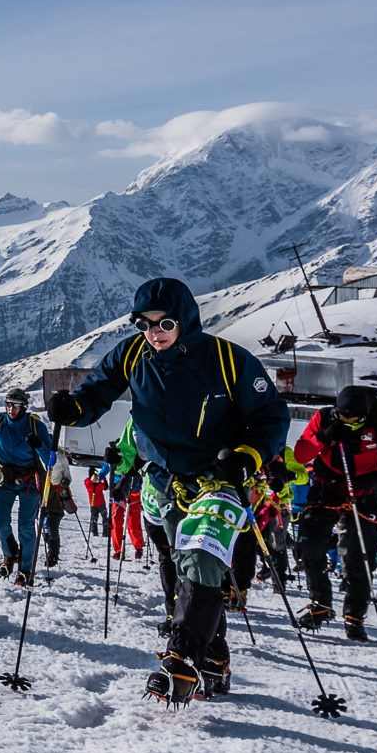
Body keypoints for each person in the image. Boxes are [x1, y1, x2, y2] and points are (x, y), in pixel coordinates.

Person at [49, 278, 289, 702]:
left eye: (165, 323)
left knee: (201, 558)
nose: (153, 333)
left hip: (220, 479)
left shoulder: (228, 360)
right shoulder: (132, 354)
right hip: (164, 481)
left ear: (187, 320)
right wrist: (75, 409)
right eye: (143, 323)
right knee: (190, 569)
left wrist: (248, 454)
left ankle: (181, 660)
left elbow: (271, 415)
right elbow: (97, 392)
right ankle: (215, 658)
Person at [291, 386, 377, 641]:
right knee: (308, 545)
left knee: (359, 556)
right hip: (327, 488)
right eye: (343, 416)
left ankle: (354, 616)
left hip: (365, 493)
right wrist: (323, 437)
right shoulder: (324, 418)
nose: (348, 422)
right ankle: (320, 602)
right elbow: (301, 454)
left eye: (354, 418)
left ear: (365, 414)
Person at [0, 389, 54, 585]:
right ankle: (10, 554)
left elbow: (49, 459)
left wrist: (38, 445)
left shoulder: (35, 426)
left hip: (29, 478)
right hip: (4, 476)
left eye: (16, 405)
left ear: (24, 407)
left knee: (26, 527)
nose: (11, 409)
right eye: (8, 405)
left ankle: (25, 570)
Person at [106, 424, 146, 562]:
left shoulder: (133, 455)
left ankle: (138, 546)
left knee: (133, 523)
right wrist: (97, 478)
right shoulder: (114, 460)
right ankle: (118, 550)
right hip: (118, 494)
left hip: (134, 493)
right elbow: (105, 470)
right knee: (116, 523)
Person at [40, 454, 77, 569]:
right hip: (41, 495)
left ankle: (53, 555)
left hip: (57, 496)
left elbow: (67, 473)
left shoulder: (60, 457)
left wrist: (66, 481)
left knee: (52, 526)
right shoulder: (38, 456)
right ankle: (50, 548)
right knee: (44, 527)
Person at [83, 465, 109, 538]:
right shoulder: (96, 485)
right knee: (103, 517)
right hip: (100, 503)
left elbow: (88, 481)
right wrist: (102, 478)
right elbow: (105, 486)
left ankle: (95, 532)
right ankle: (104, 532)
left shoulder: (88, 482)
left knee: (94, 518)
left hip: (93, 503)